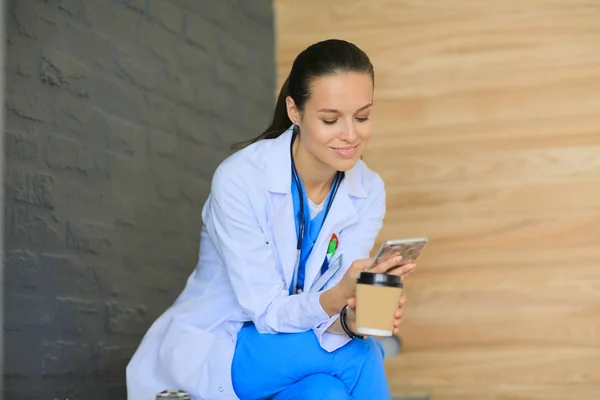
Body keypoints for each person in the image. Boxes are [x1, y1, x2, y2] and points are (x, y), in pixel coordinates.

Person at [126, 38, 417, 400]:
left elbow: (335, 299)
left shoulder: (368, 189)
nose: (351, 134)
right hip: (231, 347)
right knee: (358, 356)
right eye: (330, 119)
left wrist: (352, 313)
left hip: (301, 347)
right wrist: (336, 300)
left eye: (362, 117)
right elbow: (266, 312)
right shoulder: (241, 179)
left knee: (325, 393)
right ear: (294, 111)